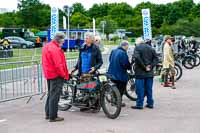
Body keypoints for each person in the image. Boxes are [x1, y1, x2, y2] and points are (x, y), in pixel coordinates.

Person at [71, 32, 103, 111]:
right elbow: (80, 60)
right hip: (82, 73)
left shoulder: (96, 48)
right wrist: (75, 68)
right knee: (84, 89)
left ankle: (96, 106)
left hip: (91, 73)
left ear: (92, 40)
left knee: (94, 90)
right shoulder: (82, 48)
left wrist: (95, 68)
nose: (85, 39)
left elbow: (100, 61)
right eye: (85, 38)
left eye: (87, 38)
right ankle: (85, 105)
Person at [42, 32, 69, 122]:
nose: (64, 42)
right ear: (60, 40)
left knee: (50, 94)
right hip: (56, 75)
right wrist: (64, 75)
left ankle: (48, 113)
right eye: (63, 40)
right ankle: (53, 116)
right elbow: (58, 65)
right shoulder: (55, 49)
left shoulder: (47, 46)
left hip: (49, 74)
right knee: (55, 96)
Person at [131, 37, 158, 109]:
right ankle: (150, 103)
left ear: (137, 43)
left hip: (140, 73)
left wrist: (144, 67)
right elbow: (156, 59)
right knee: (149, 89)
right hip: (149, 73)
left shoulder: (137, 48)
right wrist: (150, 66)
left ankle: (139, 104)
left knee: (140, 89)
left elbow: (137, 58)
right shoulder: (151, 48)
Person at [107, 40, 131, 107]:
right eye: (127, 46)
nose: (127, 48)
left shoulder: (113, 51)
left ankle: (113, 100)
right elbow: (125, 64)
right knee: (121, 88)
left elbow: (110, 60)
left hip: (111, 72)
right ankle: (118, 102)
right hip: (120, 74)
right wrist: (129, 67)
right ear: (125, 45)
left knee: (114, 87)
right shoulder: (123, 53)